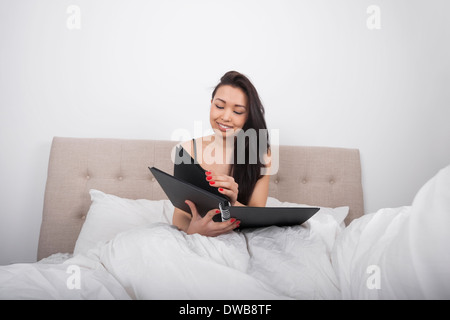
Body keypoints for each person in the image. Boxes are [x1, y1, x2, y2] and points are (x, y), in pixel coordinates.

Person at [172, 71, 272, 236]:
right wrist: (194, 231)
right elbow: (180, 215)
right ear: (211, 103)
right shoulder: (188, 150)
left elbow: (258, 214)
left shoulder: (261, 154)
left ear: (248, 116)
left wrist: (232, 203)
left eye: (238, 111)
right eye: (219, 106)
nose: (225, 117)